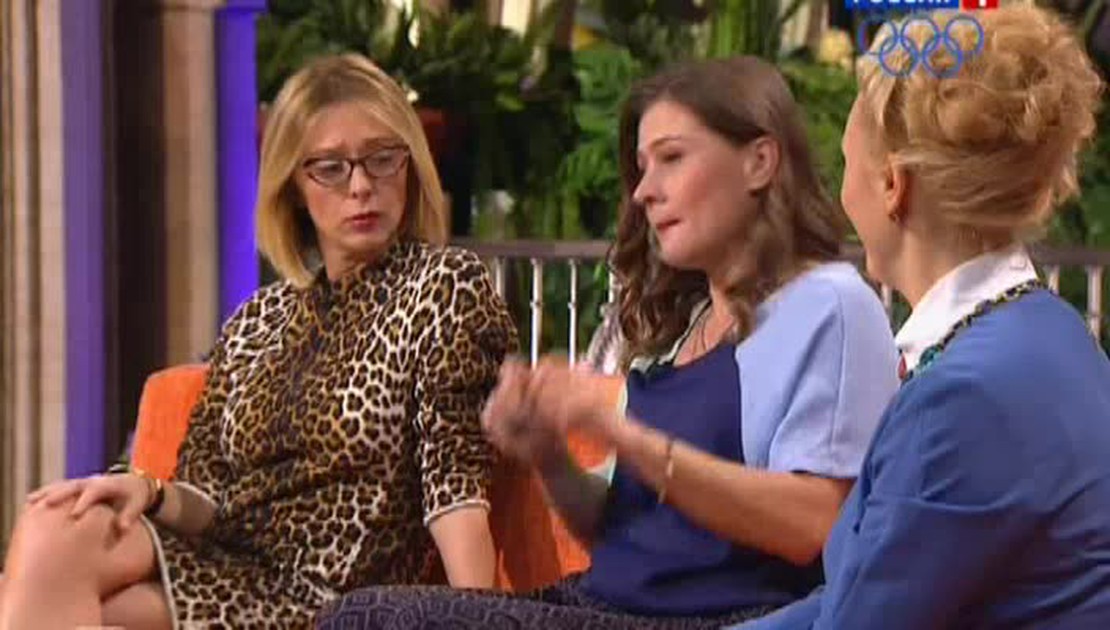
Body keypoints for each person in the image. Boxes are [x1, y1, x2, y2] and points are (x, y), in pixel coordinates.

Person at [315, 55, 899, 629]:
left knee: (368, 620)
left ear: (759, 162)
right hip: (606, 605)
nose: (644, 191)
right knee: (359, 614)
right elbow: (618, 532)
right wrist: (548, 451)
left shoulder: (828, 304)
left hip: (716, 618)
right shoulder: (689, 326)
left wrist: (626, 437)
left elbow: (815, 524)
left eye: (671, 158)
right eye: (642, 168)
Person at [0, 53, 517, 629]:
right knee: (56, 525)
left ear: (411, 164)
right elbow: (204, 492)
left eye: (382, 158)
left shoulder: (443, 285)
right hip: (220, 559)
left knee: (62, 607)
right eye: (330, 168)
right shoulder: (258, 318)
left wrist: (479, 621)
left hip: (321, 591)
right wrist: (145, 490)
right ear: (293, 186)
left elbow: (455, 492)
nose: (361, 186)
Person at [734, 6, 1110, 629]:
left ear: (892, 185)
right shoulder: (1054, 333)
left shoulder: (964, 397)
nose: (839, 188)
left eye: (846, 161)